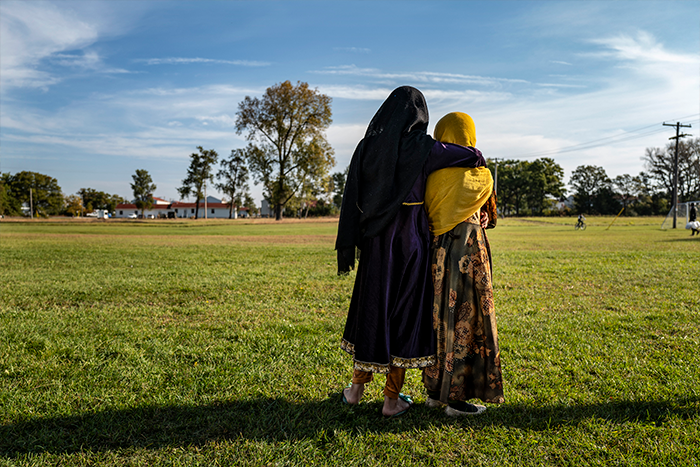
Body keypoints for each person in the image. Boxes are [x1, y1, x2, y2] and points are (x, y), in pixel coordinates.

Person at [336, 87, 486, 418]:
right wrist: (478, 157)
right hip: (411, 242)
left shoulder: (366, 147)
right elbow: (464, 154)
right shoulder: (422, 147)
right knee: (402, 315)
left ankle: (355, 391)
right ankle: (391, 400)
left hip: (376, 241)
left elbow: (353, 195)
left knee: (372, 310)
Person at [421, 112, 505, 416]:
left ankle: (435, 392)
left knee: (438, 321)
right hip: (472, 255)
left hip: (437, 255)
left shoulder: (430, 175)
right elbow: (490, 216)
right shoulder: (482, 174)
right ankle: (456, 400)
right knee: (468, 323)